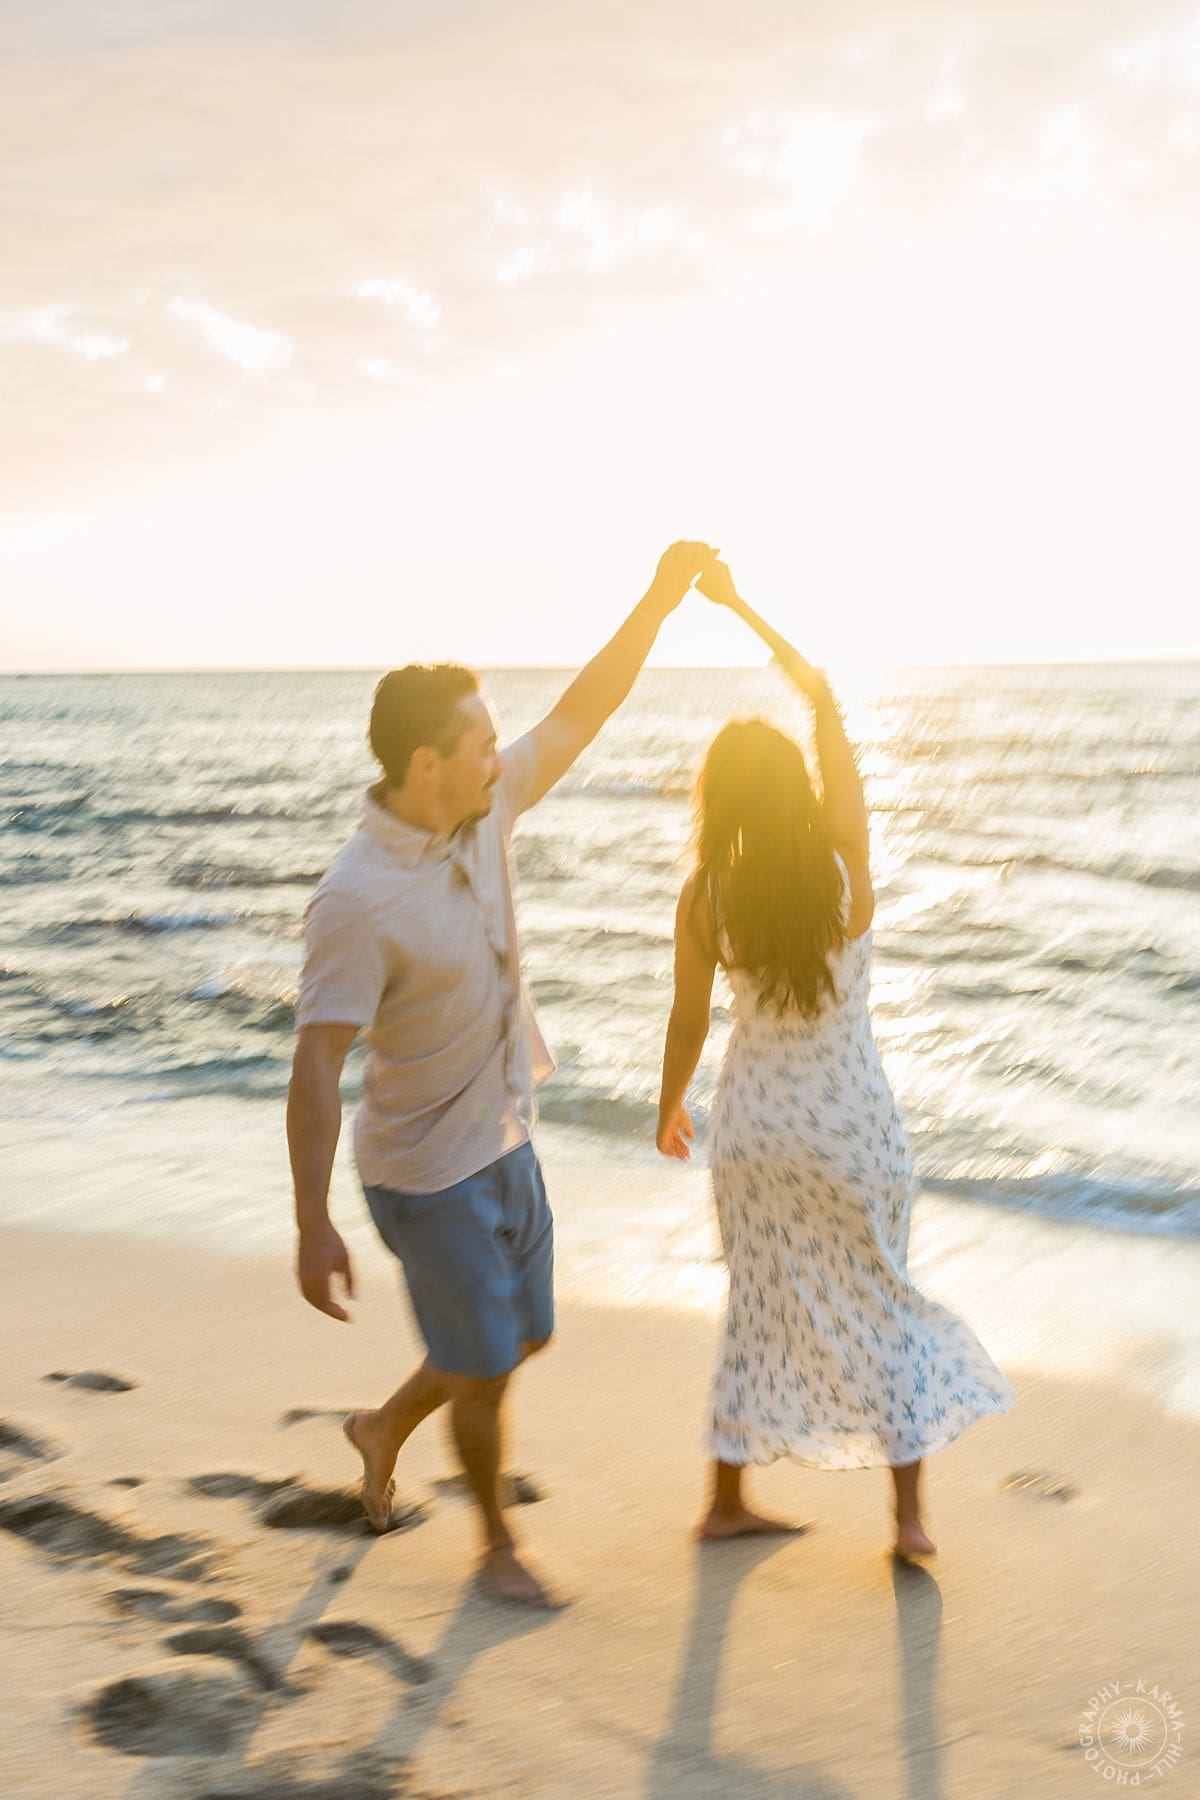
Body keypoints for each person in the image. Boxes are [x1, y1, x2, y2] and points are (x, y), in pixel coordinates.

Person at [287, 541, 713, 1607]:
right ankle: (494, 1552)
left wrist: (657, 603)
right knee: (481, 1370)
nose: (498, 752)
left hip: (507, 1136)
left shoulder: (485, 808)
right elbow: (317, 1065)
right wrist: (312, 1221)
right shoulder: (355, 901)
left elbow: (583, 711)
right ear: (424, 765)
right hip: (424, 1175)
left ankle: (382, 1425)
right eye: (479, 742)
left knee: (518, 1339)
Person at [656, 559, 1015, 1559]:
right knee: (885, 1299)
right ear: (800, 793)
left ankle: (725, 1498)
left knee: (758, 1300)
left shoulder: (705, 896)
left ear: (719, 803)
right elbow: (822, 697)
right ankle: (907, 1521)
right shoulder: (843, 872)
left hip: (755, 1129)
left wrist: (669, 1104)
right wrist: (741, 610)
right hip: (848, 1125)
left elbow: (688, 1019)